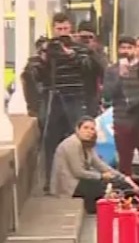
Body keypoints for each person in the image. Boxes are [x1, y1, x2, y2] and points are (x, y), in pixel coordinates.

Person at [24, 13, 96, 192]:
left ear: (71, 28)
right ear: (53, 29)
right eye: (59, 29)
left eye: (65, 28)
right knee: (50, 140)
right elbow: (34, 76)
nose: (62, 32)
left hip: (75, 98)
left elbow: (90, 69)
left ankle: (82, 179)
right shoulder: (48, 48)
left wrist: (71, 55)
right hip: (53, 97)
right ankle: (50, 181)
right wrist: (42, 59)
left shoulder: (79, 48)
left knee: (80, 139)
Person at [103, 36, 139, 193]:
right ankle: (126, 195)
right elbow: (107, 95)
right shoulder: (112, 70)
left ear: (135, 49)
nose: (126, 51)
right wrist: (120, 77)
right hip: (122, 121)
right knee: (124, 162)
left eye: (130, 47)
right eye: (123, 48)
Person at [50, 116, 139, 214]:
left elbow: (100, 165)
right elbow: (78, 172)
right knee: (103, 185)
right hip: (69, 184)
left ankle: (128, 202)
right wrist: (101, 176)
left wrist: (123, 177)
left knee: (118, 182)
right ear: (77, 129)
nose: (89, 131)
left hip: (81, 181)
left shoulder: (88, 144)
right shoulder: (72, 144)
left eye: (92, 129)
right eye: (85, 128)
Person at [76, 20, 106, 116]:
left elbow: (104, 71)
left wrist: (92, 52)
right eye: (83, 37)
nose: (86, 40)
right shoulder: (72, 50)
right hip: (73, 95)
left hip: (91, 96)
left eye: (90, 37)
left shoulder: (98, 53)